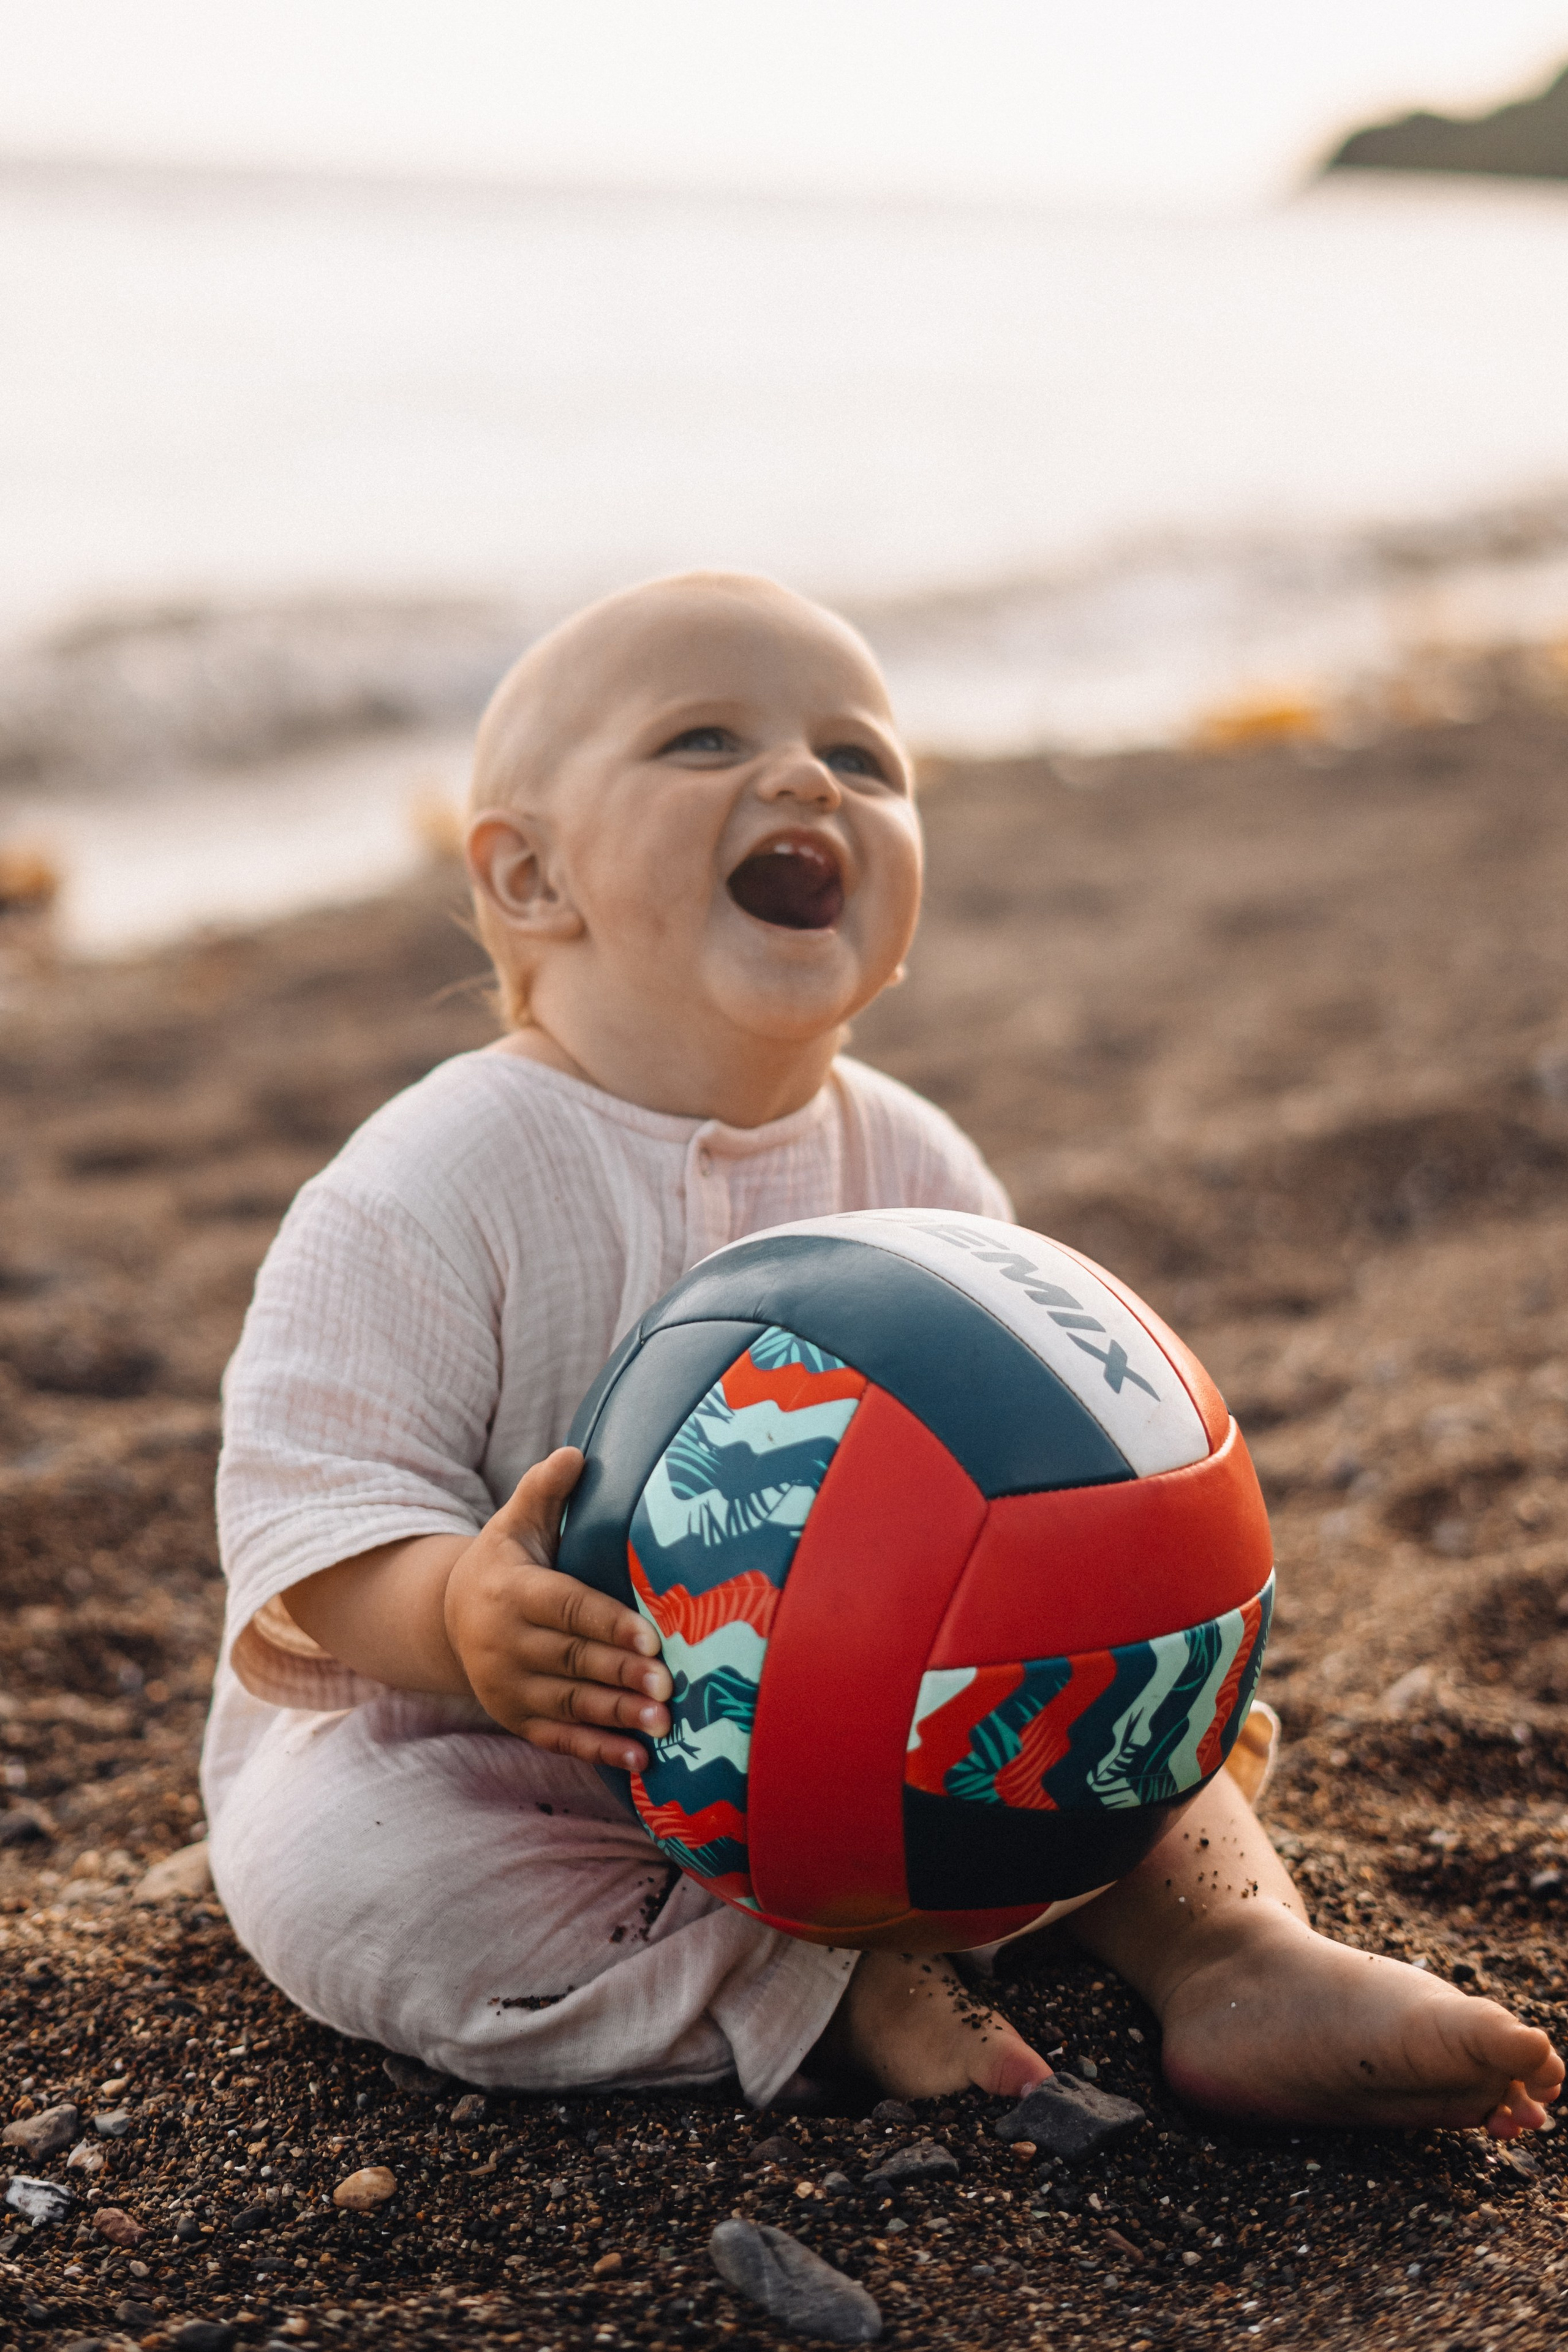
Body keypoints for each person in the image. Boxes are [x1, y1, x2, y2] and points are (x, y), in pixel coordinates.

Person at [205, 571, 1561, 2134]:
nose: (802, 779)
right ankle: (819, 1987)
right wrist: (462, 1617)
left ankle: (1235, 1956)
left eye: (863, 762)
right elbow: (309, 1516)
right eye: (704, 739)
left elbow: (1053, 1451)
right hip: (520, 1748)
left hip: (891, 1721)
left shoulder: (917, 1169)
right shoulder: (434, 1175)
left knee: (1134, 1746)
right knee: (358, 1867)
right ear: (528, 879)